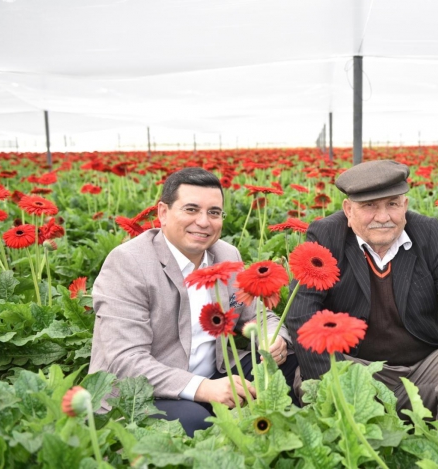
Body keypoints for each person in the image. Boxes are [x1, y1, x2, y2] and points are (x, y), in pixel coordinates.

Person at [89, 167, 297, 436]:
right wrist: (203, 389)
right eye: (191, 209)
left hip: (216, 373)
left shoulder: (225, 254)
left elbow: (259, 315)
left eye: (213, 212)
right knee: (195, 421)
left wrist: (274, 337)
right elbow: (126, 360)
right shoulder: (128, 263)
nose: (204, 222)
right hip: (141, 391)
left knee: (289, 367)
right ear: (163, 213)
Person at [286, 160, 438, 420]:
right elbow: (300, 313)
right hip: (355, 369)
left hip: (421, 369)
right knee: (315, 380)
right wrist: (334, 386)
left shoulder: (426, 232)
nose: (383, 217)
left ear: (404, 205)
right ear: (348, 210)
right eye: (369, 206)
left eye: (392, 204)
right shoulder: (327, 235)